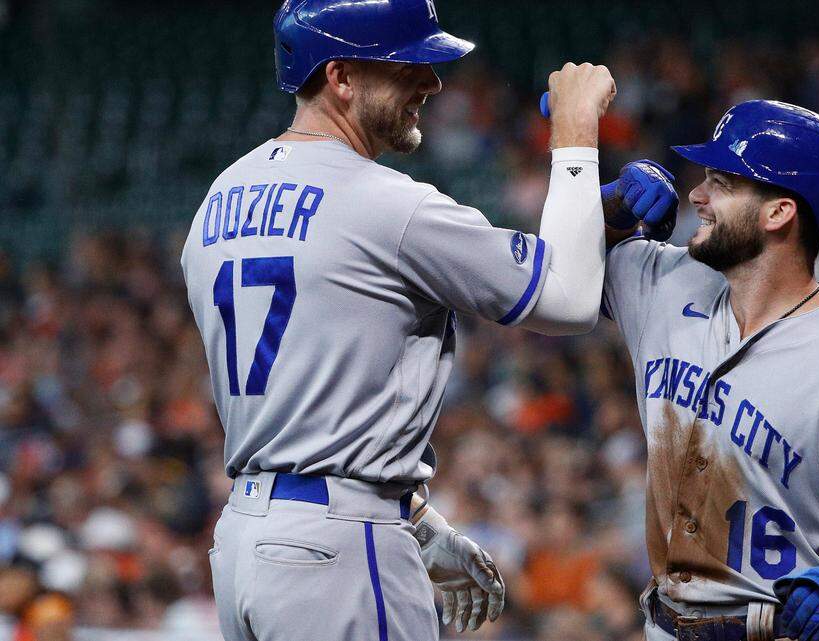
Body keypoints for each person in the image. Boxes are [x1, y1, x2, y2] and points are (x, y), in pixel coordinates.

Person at [179, 1, 619, 640]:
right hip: (338, 551)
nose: (431, 83)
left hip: (246, 542)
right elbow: (570, 300)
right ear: (341, 77)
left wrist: (415, 521)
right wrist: (575, 133)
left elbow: (314, 394)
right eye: (406, 66)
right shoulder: (384, 203)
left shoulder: (218, 200)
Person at [600, 100, 819, 641]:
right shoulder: (669, 283)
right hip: (664, 624)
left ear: (778, 213)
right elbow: (560, 271)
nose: (696, 196)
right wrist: (614, 210)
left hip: (781, 630)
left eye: (721, 183)